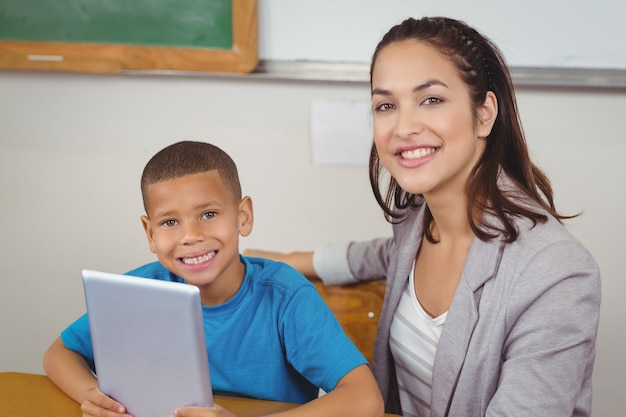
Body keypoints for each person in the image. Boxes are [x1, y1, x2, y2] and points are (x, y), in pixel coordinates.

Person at [244, 16, 601, 417]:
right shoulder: (414, 221)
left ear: (484, 114)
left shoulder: (558, 273)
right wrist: (283, 261)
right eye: (386, 105)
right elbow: (378, 255)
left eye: (431, 99)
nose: (404, 126)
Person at [43, 141, 384, 417]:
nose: (191, 236)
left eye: (208, 214)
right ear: (150, 233)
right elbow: (59, 353)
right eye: (169, 222)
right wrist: (92, 396)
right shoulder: (139, 294)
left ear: (243, 216)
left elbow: (365, 398)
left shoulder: (286, 296)